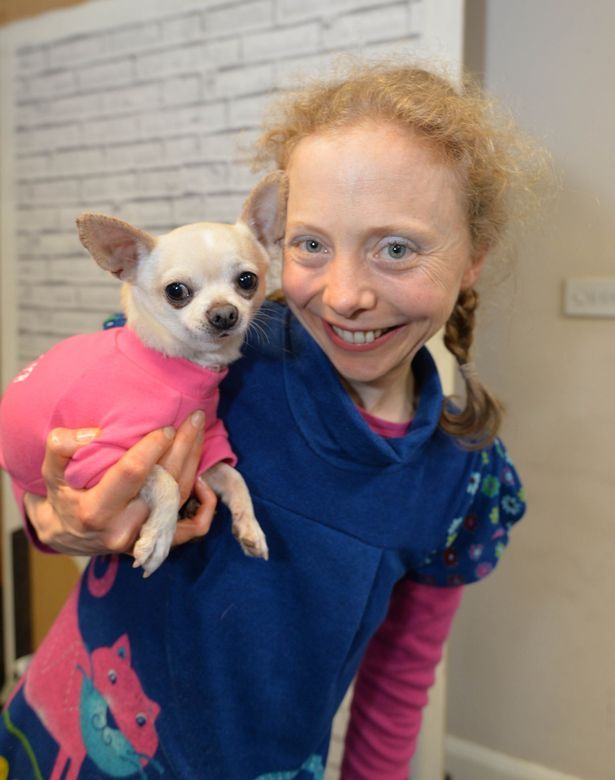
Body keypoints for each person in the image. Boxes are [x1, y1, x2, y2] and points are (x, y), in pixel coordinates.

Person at [0, 61, 540, 779]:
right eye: (310, 244)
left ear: (472, 257)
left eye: (397, 248)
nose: (345, 296)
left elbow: (398, 681)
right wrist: (53, 517)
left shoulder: (460, 478)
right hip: (60, 738)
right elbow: (55, 452)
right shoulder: (206, 363)